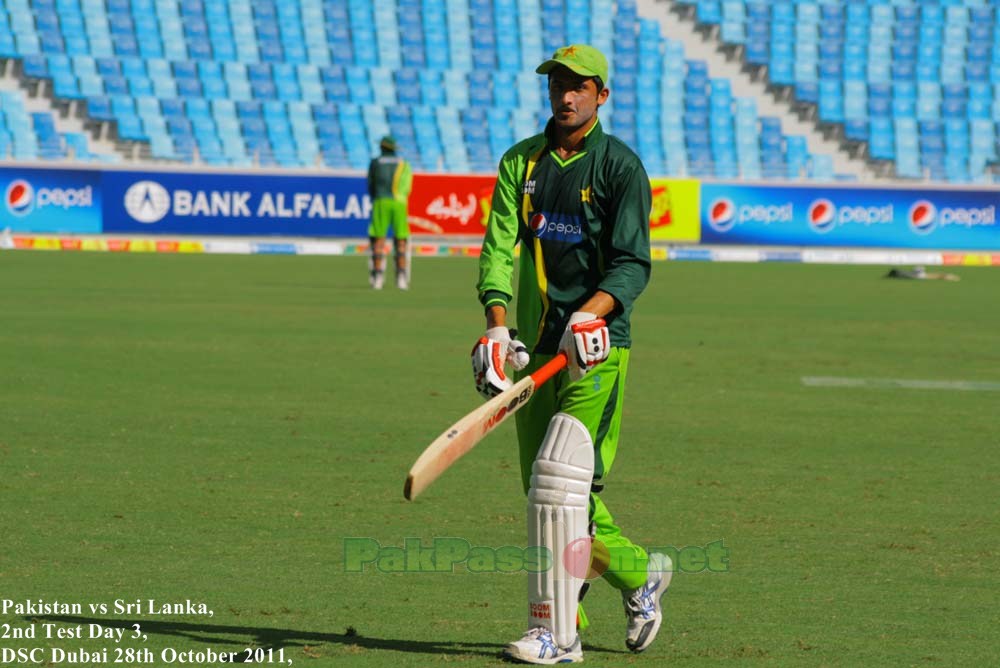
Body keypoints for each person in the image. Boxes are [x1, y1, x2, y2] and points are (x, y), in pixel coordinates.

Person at [471, 44, 672, 664]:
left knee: (563, 486)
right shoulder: (521, 162)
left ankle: (558, 634)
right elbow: (499, 245)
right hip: (535, 353)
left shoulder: (619, 167)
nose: (566, 94)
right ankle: (637, 575)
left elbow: (633, 264)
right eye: (558, 82)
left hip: (595, 348)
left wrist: (595, 312)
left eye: (579, 85)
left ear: (601, 95)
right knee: (547, 492)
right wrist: (498, 329)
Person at [366, 135, 413, 290]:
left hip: (381, 201)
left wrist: (377, 197)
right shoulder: (403, 164)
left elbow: (370, 185)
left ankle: (378, 275)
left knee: (378, 240)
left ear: (382, 148)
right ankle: (401, 277)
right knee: (401, 240)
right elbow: (407, 187)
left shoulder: (375, 163)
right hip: (399, 203)